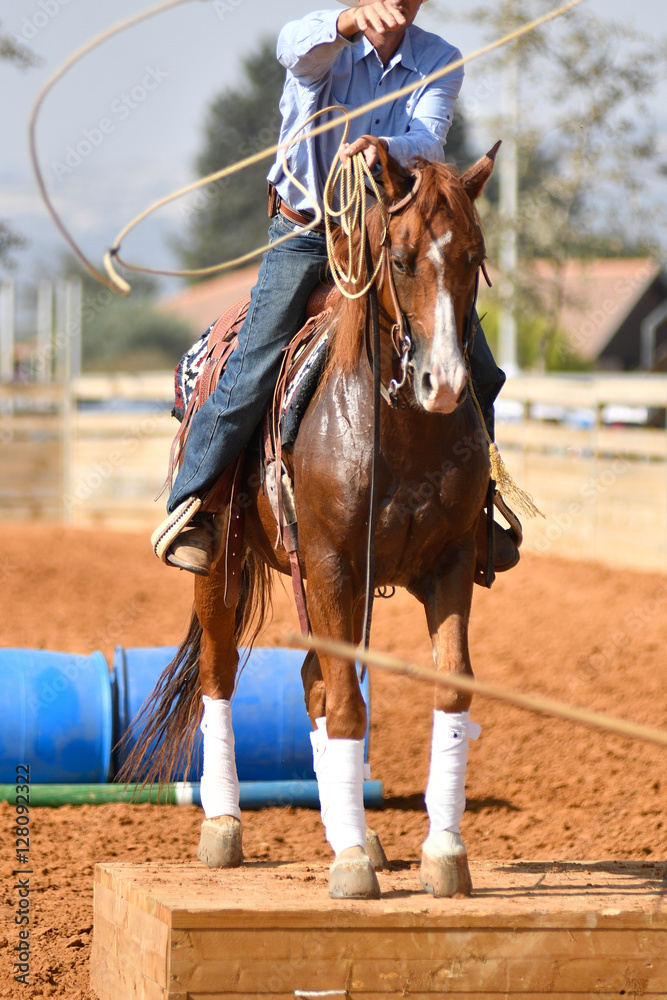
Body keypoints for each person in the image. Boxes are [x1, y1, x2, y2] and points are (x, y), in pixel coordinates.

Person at [153, 0, 514, 576]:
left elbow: (429, 140)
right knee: (255, 361)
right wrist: (346, 22)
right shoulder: (321, 42)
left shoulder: (439, 60)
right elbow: (293, 49)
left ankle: (479, 509)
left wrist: (382, 147)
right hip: (305, 230)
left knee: (481, 368)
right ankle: (196, 505)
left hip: (389, 236)